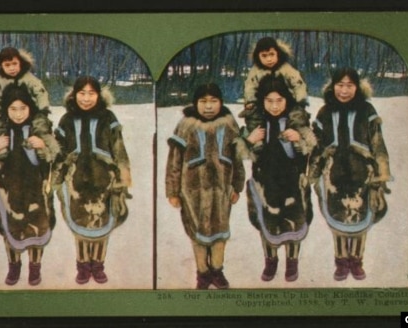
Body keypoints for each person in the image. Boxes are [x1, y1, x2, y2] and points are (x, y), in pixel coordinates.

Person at [310, 67, 391, 281]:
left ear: (357, 87)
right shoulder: (325, 112)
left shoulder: (366, 110)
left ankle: (356, 260)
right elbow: (315, 145)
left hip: (362, 176)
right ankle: (340, 261)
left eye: (349, 85)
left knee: (361, 216)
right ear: (332, 86)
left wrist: (381, 173)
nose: (344, 91)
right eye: (340, 85)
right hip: (333, 176)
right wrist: (312, 172)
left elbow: (378, 143)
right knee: (337, 217)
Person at [165, 83, 245, 289]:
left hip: (222, 190)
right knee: (197, 232)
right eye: (203, 101)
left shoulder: (228, 125)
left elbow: (237, 158)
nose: (208, 106)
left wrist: (237, 185)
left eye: (213, 101)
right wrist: (173, 191)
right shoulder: (186, 125)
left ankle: (217, 270)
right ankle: (202, 272)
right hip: (192, 192)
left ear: (221, 102)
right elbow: (174, 161)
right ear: (195, 103)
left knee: (220, 231)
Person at [0, 83, 60, 286]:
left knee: (37, 229)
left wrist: (43, 147)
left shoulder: (41, 131)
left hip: (36, 190)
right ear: (6, 110)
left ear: (30, 109)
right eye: (13, 109)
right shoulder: (0, 132)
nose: (18, 114)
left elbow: (56, 156)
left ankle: (35, 267)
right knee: (11, 228)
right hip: (10, 190)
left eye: (23, 108)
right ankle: (14, 266)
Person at [54, 76, 132, 285]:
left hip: (104, 181)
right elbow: (57, 150)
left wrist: (123, 175)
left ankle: (98, 265)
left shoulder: (108, 118)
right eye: (82, 93)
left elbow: (118, 147)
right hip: (76, 183)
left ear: (98, 95)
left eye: (91, 94)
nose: (86, 99)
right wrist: (57, 175)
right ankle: (82, 265)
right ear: (74, 95)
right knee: (80, 224)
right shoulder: (67, 120)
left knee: (102, 223)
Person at [241, 79, 316, 282]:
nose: (274, 106)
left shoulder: (297, 123)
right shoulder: (256, 124)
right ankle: (270, 260)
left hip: (292, 182)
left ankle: (292, 262)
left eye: (279, 100)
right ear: (262, 102)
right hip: (265, 182)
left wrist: (298, 140)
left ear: (287, 100)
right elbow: (238, 152)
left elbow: (312, 147)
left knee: (294, 221)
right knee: (267, 221)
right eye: (269, 100)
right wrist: (249, 141)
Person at [239, 37, 309, 150]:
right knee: (253, 117)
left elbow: (298, 83)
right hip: (263, 104)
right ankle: (258, 142)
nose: (269, 59)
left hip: (288, 102)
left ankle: (296, 140)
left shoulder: (286, 68)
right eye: (264, 56)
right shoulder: (256, 70)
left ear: (278, 54)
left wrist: (300, 99)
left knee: (298, 116)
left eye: (272, 54)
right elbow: (249, 87)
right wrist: (250, 101)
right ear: (258, 56)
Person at [0, 47, 53, 160]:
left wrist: (43, 108)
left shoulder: (28, 77)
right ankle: (2, 148)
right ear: (1, 66)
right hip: (6, 113)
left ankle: (41, 147)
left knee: (40, 124)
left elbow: (40, 91)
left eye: (14, 64)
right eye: (7, 65)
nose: (12, 68)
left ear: (20, 63)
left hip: (30, 111)